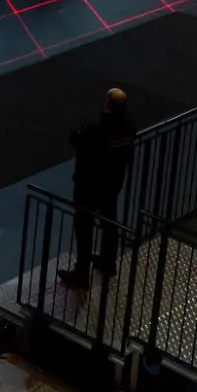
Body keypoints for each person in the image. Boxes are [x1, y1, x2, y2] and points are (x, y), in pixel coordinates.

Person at [59, 89, 134, 286]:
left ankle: (81, 272)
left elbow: (75, 139)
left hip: (89, 187)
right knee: (110, 222)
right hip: (113, 183)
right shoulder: (129, 128)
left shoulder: (96, 132)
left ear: (107, 106)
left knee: (84, 226)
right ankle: (108, 262)